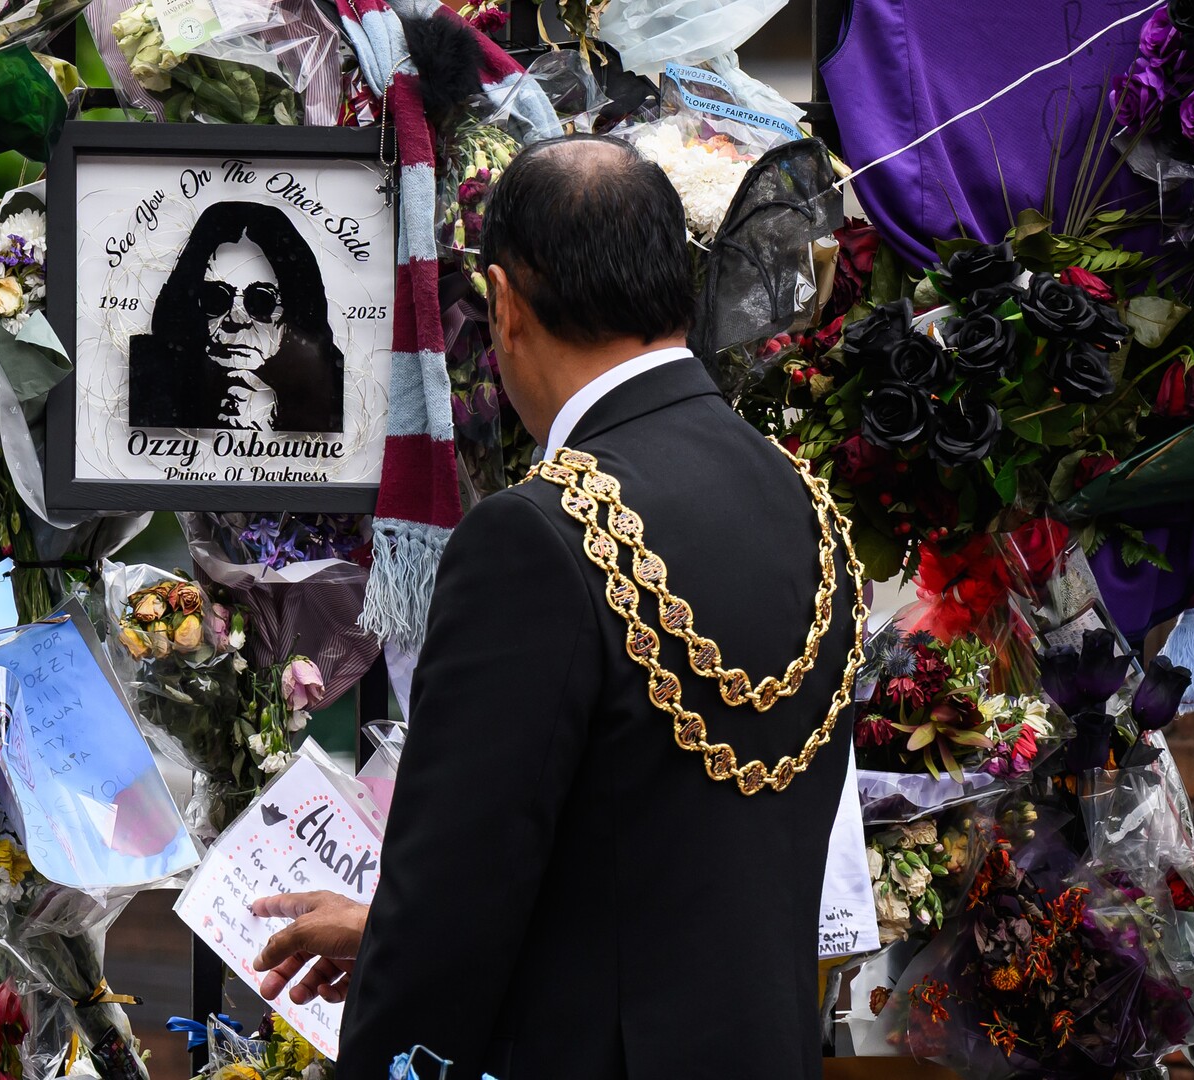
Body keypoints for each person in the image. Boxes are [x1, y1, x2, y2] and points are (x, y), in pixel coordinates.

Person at [248, 134, 856, 1079]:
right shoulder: (801, 499)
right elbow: (672, 861)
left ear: (502, 304)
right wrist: (387, 928)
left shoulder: (533, 534)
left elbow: (457, 898)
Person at [127, 200, 346, 433]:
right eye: (215, 299)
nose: (236, 321)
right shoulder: (155, 394)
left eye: (261, 302)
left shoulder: (320, 394)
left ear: (291, 310)